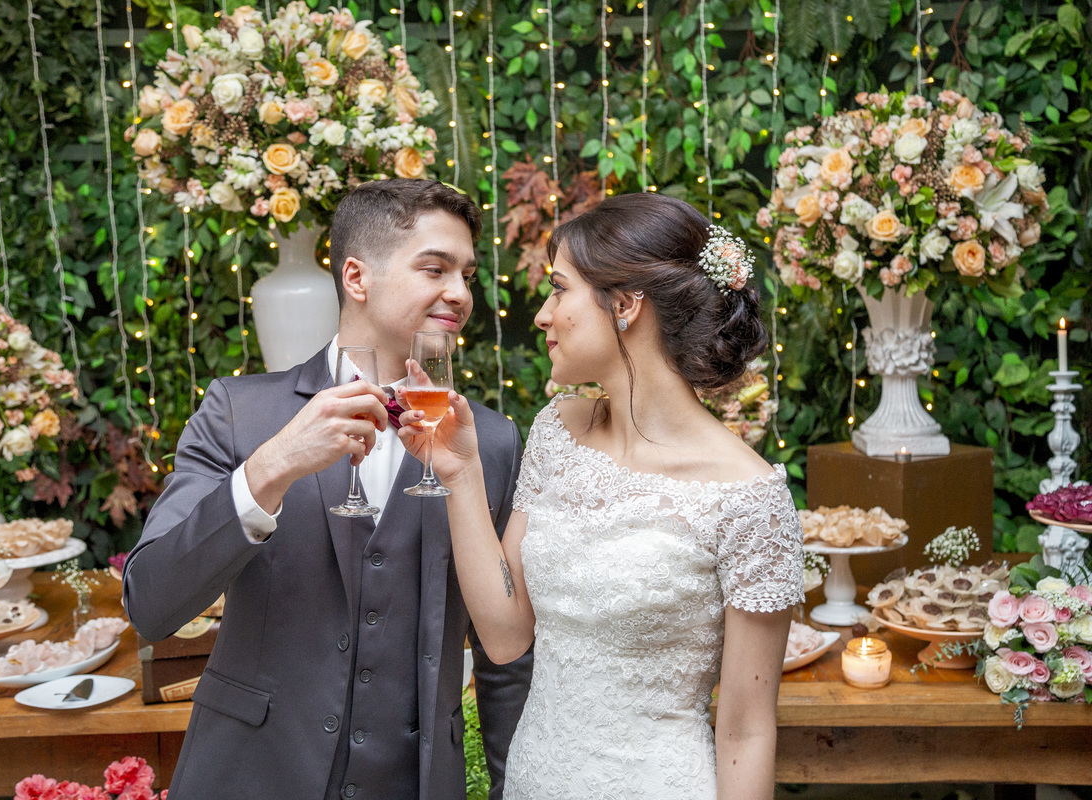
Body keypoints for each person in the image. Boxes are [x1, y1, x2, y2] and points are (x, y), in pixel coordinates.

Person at [123, 179, 532, 800]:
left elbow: (506, 662)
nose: (460, 293)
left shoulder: (492, 443)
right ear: (356, 277)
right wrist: (272, 467)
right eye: (435, 268)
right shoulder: (240, 412)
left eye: (468, 275)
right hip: (250, 775)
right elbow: (151, 605)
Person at [396, 192, 804, 799]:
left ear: (626, 305)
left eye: (559, 289)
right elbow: (506, 635)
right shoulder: (559, 430)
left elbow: (746, 731)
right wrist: (461, 474)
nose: (541, 314)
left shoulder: (749, 497)